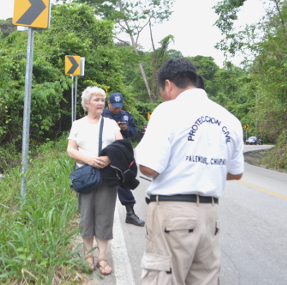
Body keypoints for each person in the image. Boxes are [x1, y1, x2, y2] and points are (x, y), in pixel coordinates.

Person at [136, 58, 244, 285]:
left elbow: (149, 167)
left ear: (168, 84)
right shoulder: (230, 119)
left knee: (162, 279)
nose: (163, 96)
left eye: (162, 91)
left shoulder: (167, 111)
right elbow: (235, 173)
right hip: (210, 218)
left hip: (172, 215)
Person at [67, 86, 123, 275]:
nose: (100, 103)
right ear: (86, 103)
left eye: (102, 100)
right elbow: (71, 150)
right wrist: (89, 160)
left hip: (107, 177)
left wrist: (108, 159)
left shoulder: (110, 123)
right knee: (86, 215)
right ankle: (88, 256)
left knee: (104, 215)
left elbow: (121, 146)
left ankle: (103, 258)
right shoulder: (78, 124)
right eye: (96, 100)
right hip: (85, 177)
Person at [102, 93, 145, 227]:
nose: (117, 109)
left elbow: (134, 132)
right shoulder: (101, 114)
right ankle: (100, 215)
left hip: (121, 153)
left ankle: (130, 213)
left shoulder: (126, 115)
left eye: (119, 107)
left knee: (124, 180)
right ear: (108, 104)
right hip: (105, 151)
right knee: (101, 181)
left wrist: (125, 129)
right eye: (114, 107)